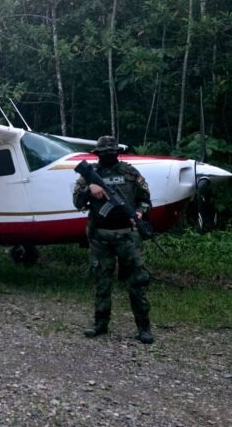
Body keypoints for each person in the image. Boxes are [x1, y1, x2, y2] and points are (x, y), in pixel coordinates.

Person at [73, 136, 155, 344]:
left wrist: (139, 213)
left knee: (137, 282)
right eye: (104, 152)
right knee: (102, 282)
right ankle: (100, 324)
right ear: (98, 154)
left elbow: (145, 200)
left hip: (128, 235)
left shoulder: (131, 173)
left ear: (117, 152)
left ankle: (144, 327)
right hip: (101, 237)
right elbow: (77, 202)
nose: (108, 155)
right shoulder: (90, 175)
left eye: (112, 152)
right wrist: (89, 189)